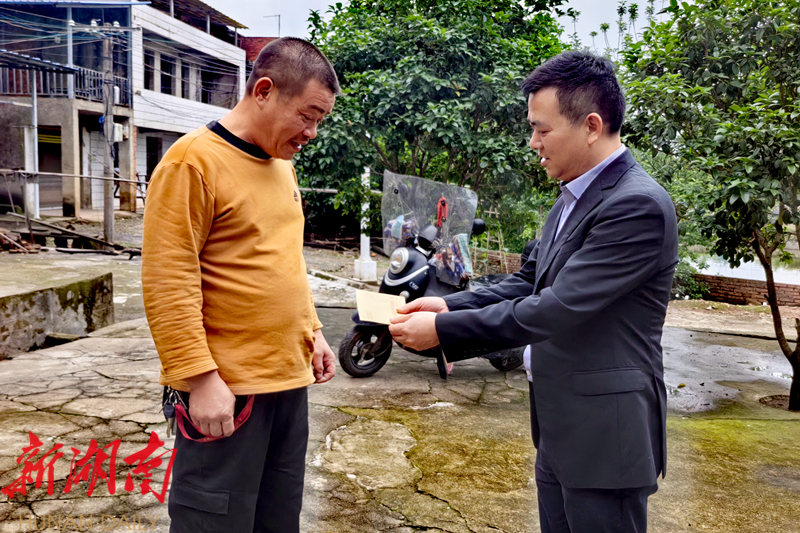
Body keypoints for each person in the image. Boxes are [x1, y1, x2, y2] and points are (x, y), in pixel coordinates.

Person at [389, 51, 678, 533]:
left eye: (542, 130)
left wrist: (444, 329)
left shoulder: (636, 206)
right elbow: (530, 280)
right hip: (560, 427)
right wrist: (448, 302)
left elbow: (556, 308)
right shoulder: (572, 197)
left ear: (590, 126)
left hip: (606, 438)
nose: (533, 143)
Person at [141, 37, 339, 533]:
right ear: (264, 91)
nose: (311, 133)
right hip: (228, 392)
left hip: (287, 384)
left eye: (320, 121)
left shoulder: (281, 164)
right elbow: (168, 279)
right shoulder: (193, 162)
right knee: (214, 521)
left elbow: (283, 259)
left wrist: (312, 330)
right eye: (307, 116)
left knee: (278, 517)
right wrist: (199, 379)